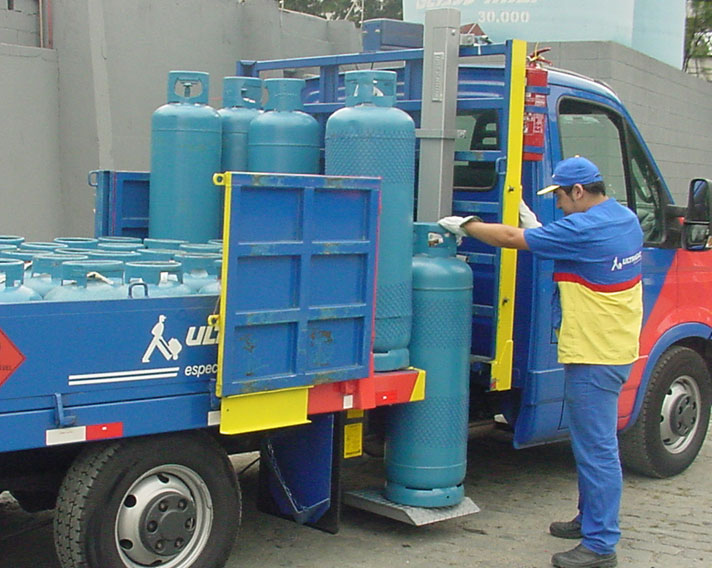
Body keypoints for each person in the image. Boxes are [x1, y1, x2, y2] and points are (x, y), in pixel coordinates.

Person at [439, 156, 642, 568]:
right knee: (593, 445)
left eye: (561, 198)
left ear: (579, 192)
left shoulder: (587, 227)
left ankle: (601, 544)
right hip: (615, 347)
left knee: (596, 449)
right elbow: (559, 239)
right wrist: (540, 227)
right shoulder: (622, 218)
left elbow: (513, 238)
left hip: (594, 354)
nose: (560, 205)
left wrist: (467, 226)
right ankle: (589, 520)